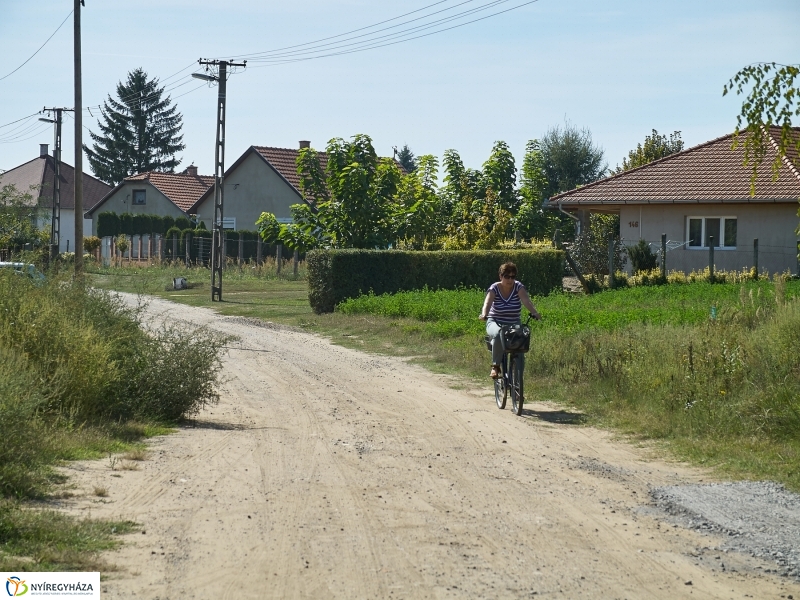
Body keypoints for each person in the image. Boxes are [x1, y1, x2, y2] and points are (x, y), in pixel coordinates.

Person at [479, 262, 541, 379]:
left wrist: (535, 312)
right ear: (500, 276)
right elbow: (487, 303)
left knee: (521, 344)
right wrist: (484, 314)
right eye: (507, 276)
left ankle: (518, 381)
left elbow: (526, 301)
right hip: (495, 322)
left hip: (513, 323)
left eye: (513, 277)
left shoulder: (518, 287)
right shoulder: (494, 288)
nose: (510, 280)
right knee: (498, 334)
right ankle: (495, 366)